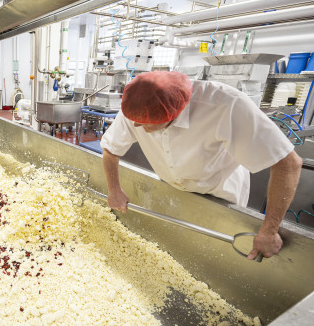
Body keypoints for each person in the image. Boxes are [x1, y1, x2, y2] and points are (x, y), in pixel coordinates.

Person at [100, 71, 302, 260]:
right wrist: (114, 189)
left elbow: (289, 163)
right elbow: (111, 149)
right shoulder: (141, 102)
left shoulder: (226, 105)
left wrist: (270, 229)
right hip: (173, 187)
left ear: (172, 116)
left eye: (144, 123)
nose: (135, 126)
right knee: (176, 250)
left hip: (219, 193)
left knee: (215, 255)